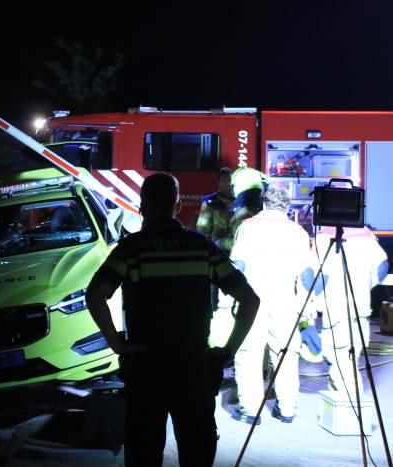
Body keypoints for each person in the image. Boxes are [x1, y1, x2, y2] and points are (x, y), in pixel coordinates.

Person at [86, 172, 259, 467]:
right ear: (177, 206)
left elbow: (95, 295)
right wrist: (227, 352)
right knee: (197, 453)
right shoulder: (203, 247)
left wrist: (118, 345)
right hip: (194, 368)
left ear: (142, 207)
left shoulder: (131, 248)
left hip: (145, 368)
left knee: (143, 454)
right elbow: (249, 300)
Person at [229, 187, 315, 424]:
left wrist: (229, 301)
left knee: (249, 353)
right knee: (286, 354)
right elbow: (306, 275)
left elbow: (238, 266)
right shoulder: (298, 232)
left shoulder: (247, 227)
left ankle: (250, 411)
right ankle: (287, 410)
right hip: (285, 302)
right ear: (287, 207)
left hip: (253, 302)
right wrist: (306, 308)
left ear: (264, 204)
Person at [312, 225, 389, 394]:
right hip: (361, 309)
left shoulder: (324, 237)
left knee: (339, 360)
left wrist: (312, 303)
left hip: (335, 310)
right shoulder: (365, 235)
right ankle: (342, 397)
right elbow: (382, 265)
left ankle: (349, 400)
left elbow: (318, 277)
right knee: (350, 359)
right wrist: (367, 285)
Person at [216, 166, 266, 255]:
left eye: (233, 185)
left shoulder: (244, 212)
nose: (231, 187)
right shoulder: (259, 208)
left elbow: (241, 242)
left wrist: (220, 242)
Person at [196, 167, 234, 243]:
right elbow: (202, 229)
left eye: (230, 180)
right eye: (223, 181)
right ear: (218, 183)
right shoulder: (209, 202)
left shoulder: (240, 201)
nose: (227, 184)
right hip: (216, 246)